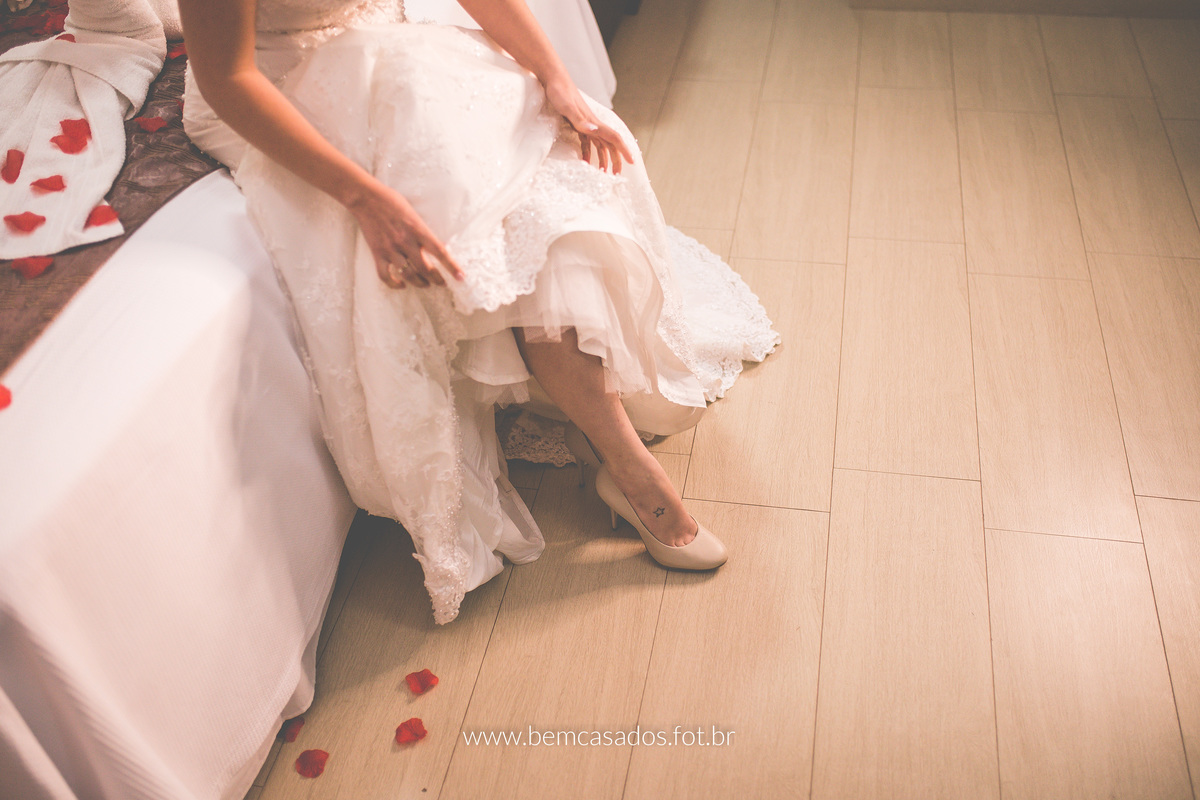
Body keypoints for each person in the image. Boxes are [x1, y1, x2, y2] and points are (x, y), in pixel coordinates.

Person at [177, 0, 780, 624]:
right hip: (273, 88)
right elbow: (228, 79)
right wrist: (365, 199)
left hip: (386, 61)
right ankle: (630, 471)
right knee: (467, 177)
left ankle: (614, 447)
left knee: (541, 186)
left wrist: (556, 78)